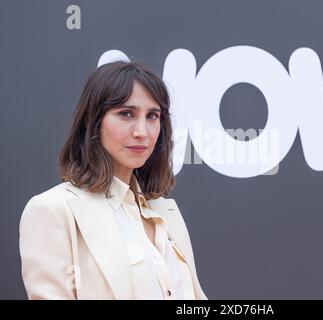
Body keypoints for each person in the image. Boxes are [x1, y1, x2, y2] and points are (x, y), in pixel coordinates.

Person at [19, 61, 207, 300]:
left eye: (152, 116)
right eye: (126, 114)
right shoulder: (52, 210)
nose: (142, 131)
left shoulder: (166, 210)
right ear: (93, 121)